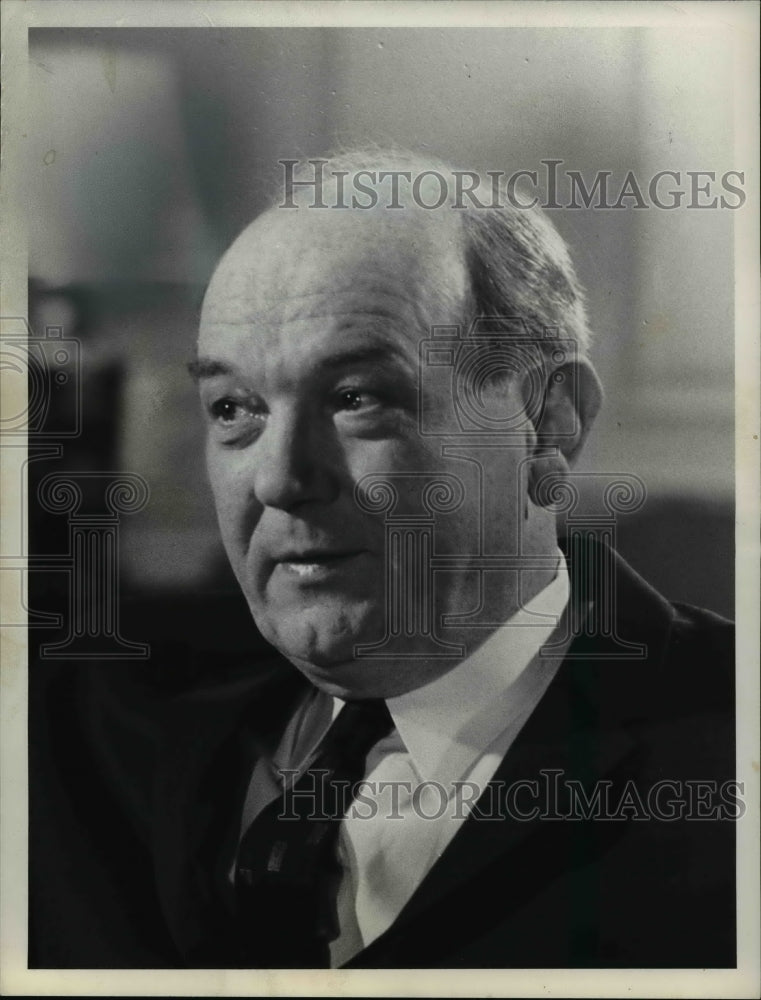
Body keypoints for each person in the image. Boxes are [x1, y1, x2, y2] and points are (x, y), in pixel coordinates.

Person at [29, 149, 736, 970]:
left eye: (357, 397)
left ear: (549, 424)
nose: (281, 479)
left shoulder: (723, 745)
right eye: (234, 408)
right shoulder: (95, 745)